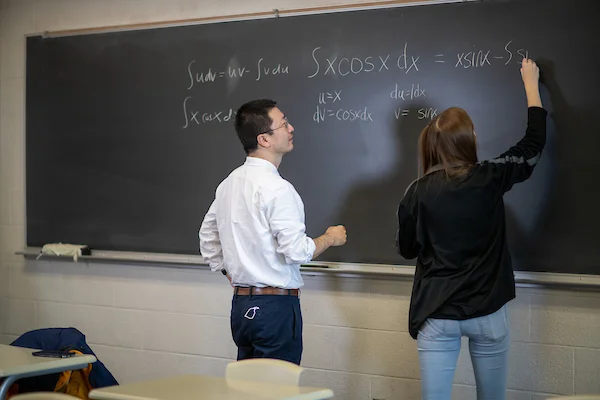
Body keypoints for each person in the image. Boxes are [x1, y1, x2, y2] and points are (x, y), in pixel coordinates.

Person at [396, 58, 546, 400]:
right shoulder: (491, 177)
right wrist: (531, 86)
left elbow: (407, 249)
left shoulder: (416, 193)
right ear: (469, 139)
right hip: (488, 312)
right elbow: (533, 146)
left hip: (437, 313)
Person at [199, 99, 347, 365]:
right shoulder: (278, 189)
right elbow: (296, 251)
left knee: (250, 389)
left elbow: (207, 237)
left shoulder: (229, 184)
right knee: (277, 390)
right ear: (264, 139)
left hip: (242, 307)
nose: (291, 128)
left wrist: (227, 270)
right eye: (284, 123)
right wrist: (330, 238)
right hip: (274, 308)